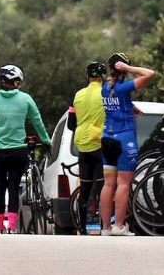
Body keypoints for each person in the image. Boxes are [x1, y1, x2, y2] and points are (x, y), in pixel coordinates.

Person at [0, 64, 51, 234]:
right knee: (14, 186)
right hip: (18, 150)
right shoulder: (26, 99)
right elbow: (37, 121)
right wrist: (46, 141)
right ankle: (12, 227)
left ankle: (0, 227)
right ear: (15, 83)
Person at [98, 52, 155, 236]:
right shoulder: (124, 87)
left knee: (108, 184)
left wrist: (131, 107)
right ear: (122, 68)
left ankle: (106, 228)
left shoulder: (105, 87)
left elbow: (117, 101)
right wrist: (129, 68)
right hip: (124, 139)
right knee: (123, 184)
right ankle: (119, 226)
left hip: (107, 138)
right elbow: (150, 74)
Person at [67, 61, 108, 235]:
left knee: (85, 187)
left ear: (88, 77)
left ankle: (82, 228)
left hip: (82, 144)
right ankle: (103, 225)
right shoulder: (106, 94)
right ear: (102, 77)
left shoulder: (78, 95)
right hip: (99, 143)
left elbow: (70, 124)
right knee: (101, 186)